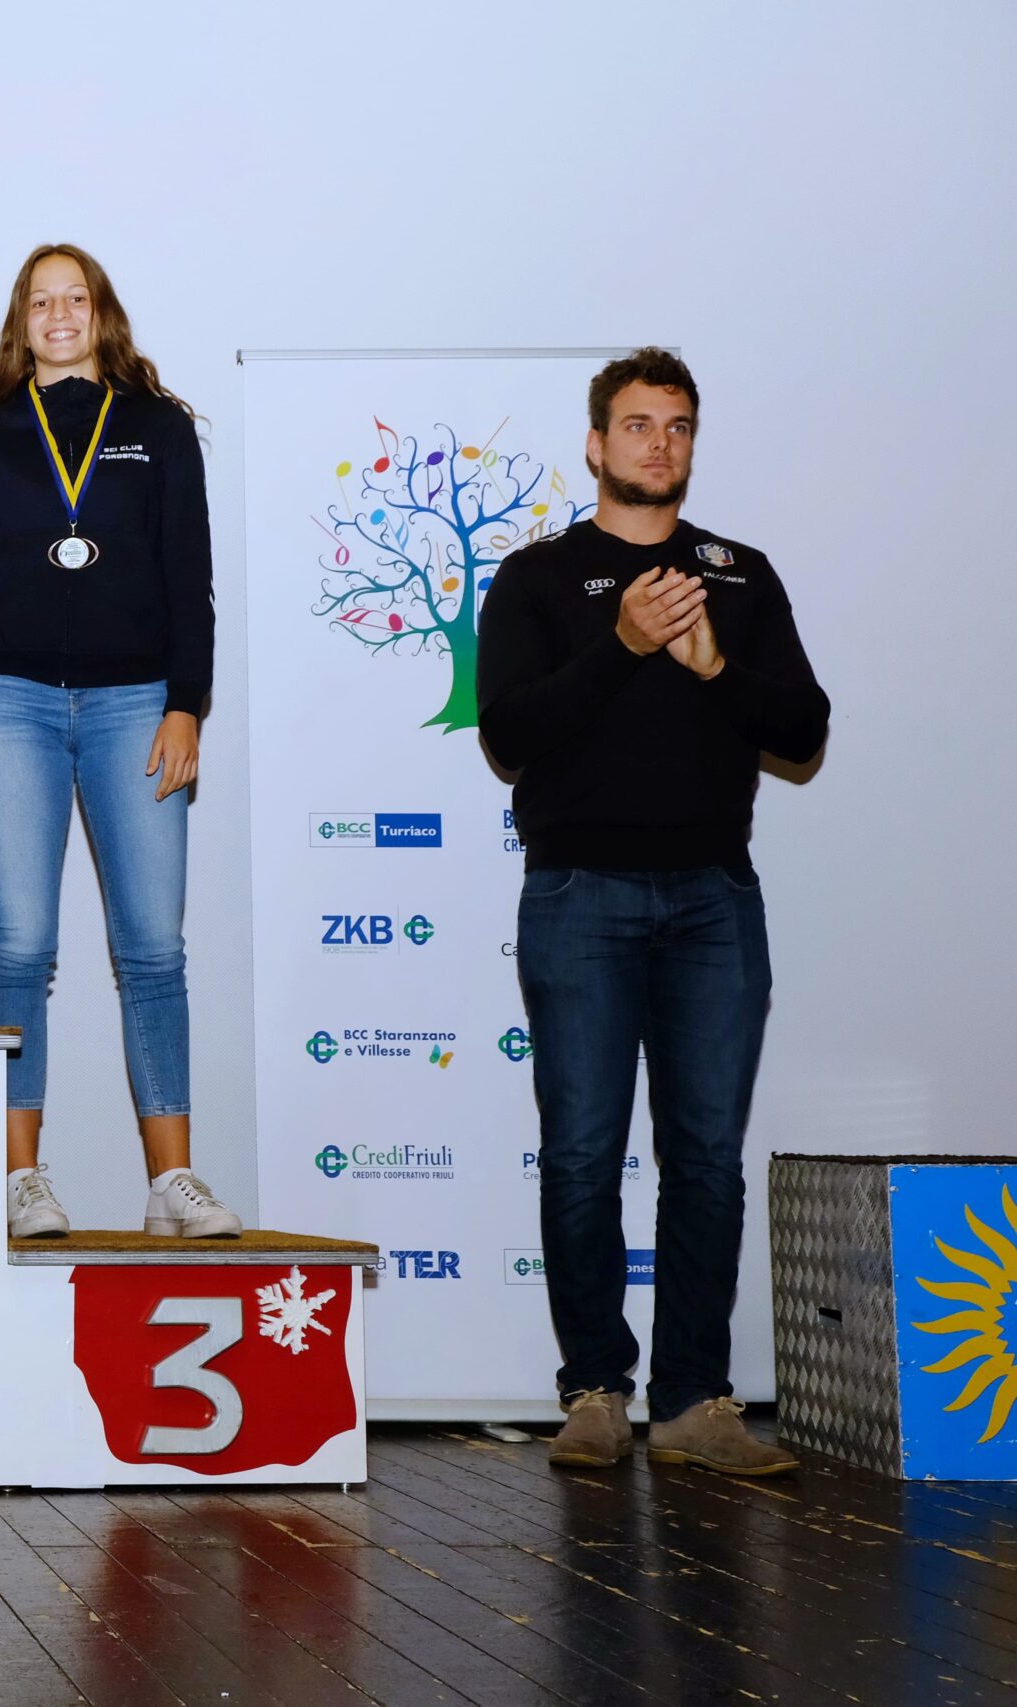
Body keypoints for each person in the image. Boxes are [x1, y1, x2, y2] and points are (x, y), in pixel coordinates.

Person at [478, 348, 828, 1476]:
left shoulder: (739, 574)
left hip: (714, 898)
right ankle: (593, 1389)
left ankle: (692, 1401)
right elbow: (508, 734)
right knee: (582, 1154)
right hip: (578, 893)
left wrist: (714, 669)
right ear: (596, 443)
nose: (658, 444)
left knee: (707, 1159)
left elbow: (804, 729)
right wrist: (624, 645)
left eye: (677, 426)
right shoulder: (537, 576)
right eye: (637, 425)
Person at [0, 244, 236, 1241]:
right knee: (19, 945)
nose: (59, 315)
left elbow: (189, 577)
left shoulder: (159, 429)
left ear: (102, 315)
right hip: (6, 704)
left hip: (136, 705)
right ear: (20, 323)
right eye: (40, 302)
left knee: (153, 949)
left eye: (76, 298)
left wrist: (185, 703)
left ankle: (171, 1181)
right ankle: (18, 1178)